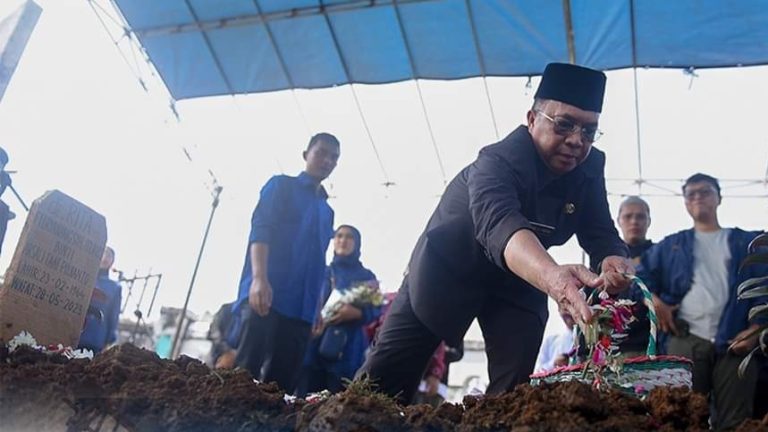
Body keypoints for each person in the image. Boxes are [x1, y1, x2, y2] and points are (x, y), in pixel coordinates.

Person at [356, 63, 632, 404]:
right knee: (380, 383)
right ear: (532, 119)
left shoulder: (589, 169)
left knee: (513, 392)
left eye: (589, 131)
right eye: (564, 124)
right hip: (447, 269)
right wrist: (554, 278)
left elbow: (600, 231)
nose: (577, 140)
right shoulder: (497, 160)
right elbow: (500, 223)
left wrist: (614, 262)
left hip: (520, 279)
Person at [637, 173, 766, 430]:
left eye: (705, 191)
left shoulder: (747, 242)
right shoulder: (671, 245)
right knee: (679, 416)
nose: (697, 197)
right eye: (690, 194)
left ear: (719, 197)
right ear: (685, 202)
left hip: (735, 341)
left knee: (735, 421)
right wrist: (654, 301)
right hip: (684, 338)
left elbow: (764, 286)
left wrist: (756, 329)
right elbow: (638, 277)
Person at [233, 132, 340, 393]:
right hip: (268, 294)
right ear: (306, 154)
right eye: (321, 152)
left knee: (280, 387)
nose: (327, 161)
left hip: (301, 311)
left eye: (334, 157)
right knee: (244, 376)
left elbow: (319, 262)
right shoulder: (280, 186)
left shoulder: (327, 211)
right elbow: (261, 229)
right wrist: (258, 278)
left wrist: (316, 308)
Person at [297, 225, 381, 395]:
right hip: (314, 347)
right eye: (339, 236)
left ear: (357, 243)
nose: (343, 240)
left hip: (348, 350)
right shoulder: (322, 272)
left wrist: (356, 313)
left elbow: (377, 310)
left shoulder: (367, 277)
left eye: (349, 237)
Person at [78, 246, 122, 353]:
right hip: (72, 330)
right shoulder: (81, 277)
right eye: (103, 253)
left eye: (109, 256)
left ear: (112, 262)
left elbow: (113, 315)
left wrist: (110, 338)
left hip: (95, 338)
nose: (105, 258)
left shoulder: (115, 287)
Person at [207, 302, 236, 369]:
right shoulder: (226, 309)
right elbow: (214, 331)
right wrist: (227, 352)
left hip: (236, 362)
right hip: (216, 355)